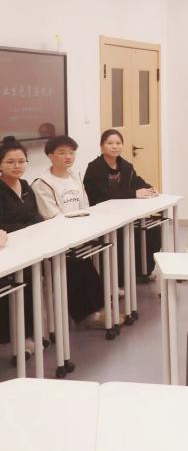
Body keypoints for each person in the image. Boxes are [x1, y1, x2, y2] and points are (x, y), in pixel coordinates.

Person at [30, 135, 110, 330]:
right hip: (58, 239)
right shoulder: (42, 183)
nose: (68, 157)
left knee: (89, 266)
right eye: (62, 153)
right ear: (50, 156)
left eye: (71, 153)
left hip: (79, 235)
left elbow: (85, 206)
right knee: (76, 268)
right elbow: (51, 216)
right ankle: (87, 316)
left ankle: (95, 311)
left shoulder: (74, 176)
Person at [83, 129, 161, 278]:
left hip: (125, 215)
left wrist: (150, 188)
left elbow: (137, 181)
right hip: (102, 217)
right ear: (101, 146)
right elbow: (104, 194)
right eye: (110, 143)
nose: (115, 146)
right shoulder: (94, 168)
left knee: (153, 230)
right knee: (122, 236)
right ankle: (118, 278)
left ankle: (143, 271)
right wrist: (134, 194)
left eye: (118, 143)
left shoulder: (126, 166)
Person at [0, 139, 43, 353]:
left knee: (35, 278)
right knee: (21, 282)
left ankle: (30, 332)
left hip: (30, 246)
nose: (17, 166)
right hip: (8, 252)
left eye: (21, 161)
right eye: (10, 162)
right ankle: (14, 338)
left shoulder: (25, 186)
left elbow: (35, 215)